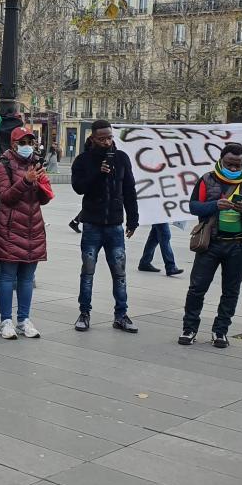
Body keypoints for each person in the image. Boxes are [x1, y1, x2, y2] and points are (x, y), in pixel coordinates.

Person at [179, 143, 242, 349]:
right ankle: (189, 329)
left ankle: (221, 332)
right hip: (210, 244)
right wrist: (214, 205)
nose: (234, 169)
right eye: (230, 164)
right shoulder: (206, 180)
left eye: (238, 165)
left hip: (237, 246)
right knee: (197, 288)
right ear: (221, 160)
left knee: (231, 291)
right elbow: (193, 206)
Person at [71, 120, 140, 334]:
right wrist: (98, 173)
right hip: (92, 224)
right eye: (102, 138)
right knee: (88, 271)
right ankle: (84, 313)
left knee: (119, 273)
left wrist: (133, 219)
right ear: (92, 138)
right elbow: (78, 188)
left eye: (109, 137)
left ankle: (121, 315)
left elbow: (129, 189)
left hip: (115, 226)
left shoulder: (121, 158)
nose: (107, 141)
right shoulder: (83, 160)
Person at [0, 128, 53, 340]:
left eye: (30, 141)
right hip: (10, 228)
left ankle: (23, 320)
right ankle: (5, 321)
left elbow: (43, 200)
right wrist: (26, 180)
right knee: (8, 276)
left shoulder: (37, 164)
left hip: (33, 227)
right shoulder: (4, 165)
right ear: (13, 144)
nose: (27, 145)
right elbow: (5, 197)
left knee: (28, 278)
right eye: (23, 141)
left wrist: (41, 184)